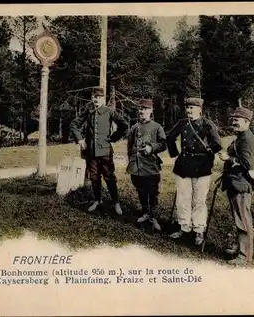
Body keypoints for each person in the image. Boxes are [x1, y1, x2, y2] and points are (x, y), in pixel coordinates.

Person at [167, 97, 223, 246]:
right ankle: (184, 227)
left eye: (193, 108)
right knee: (183, 198)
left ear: (200, 110)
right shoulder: (183, 123)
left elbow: (217, 144)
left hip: (202, 168)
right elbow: (170, 137)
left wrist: (209, 156)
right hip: (183, 166)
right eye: (188, 108)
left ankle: (199, 230)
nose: (189, 111)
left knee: (199, 200)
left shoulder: (208, 125)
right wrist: (175, 154)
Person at [69, 87, 128, 215]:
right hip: (91, 152)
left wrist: (113, 138)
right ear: (92, 98)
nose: (96, 99)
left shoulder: (109, 111)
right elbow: (74, 125)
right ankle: (97, 200)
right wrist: (80, 139)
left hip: (105, 151)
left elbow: (124, 125)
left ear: (103, 99)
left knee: (109, 177)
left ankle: (116, 202)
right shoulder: (88, 111)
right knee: (94, 177)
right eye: (94, 96)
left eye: (99, 97)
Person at [218, 107, 254, 266]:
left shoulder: (247, 138)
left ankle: (245, 255)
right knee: (239, 219)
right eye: (233, 119)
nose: (233, 122)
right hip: (234, 182)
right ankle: (242, 249)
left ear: (246, 122)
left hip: (241, 184)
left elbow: (247, 164)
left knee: (243, 221)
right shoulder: (240, 137)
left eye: (237, 120)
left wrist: (228, 159)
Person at [126, 99, 167, 231]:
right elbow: (130, 146)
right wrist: (131, 161)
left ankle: (153, 217)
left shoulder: (157, 127)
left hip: (150, 167)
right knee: (141, 191)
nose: (142, 111)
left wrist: (151, 148)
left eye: (145, 109)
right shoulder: (134, 127)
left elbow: (163, 144)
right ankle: (145, 213)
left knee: (152, 192)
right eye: (140, 109)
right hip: (137, 167)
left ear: (151, 111)